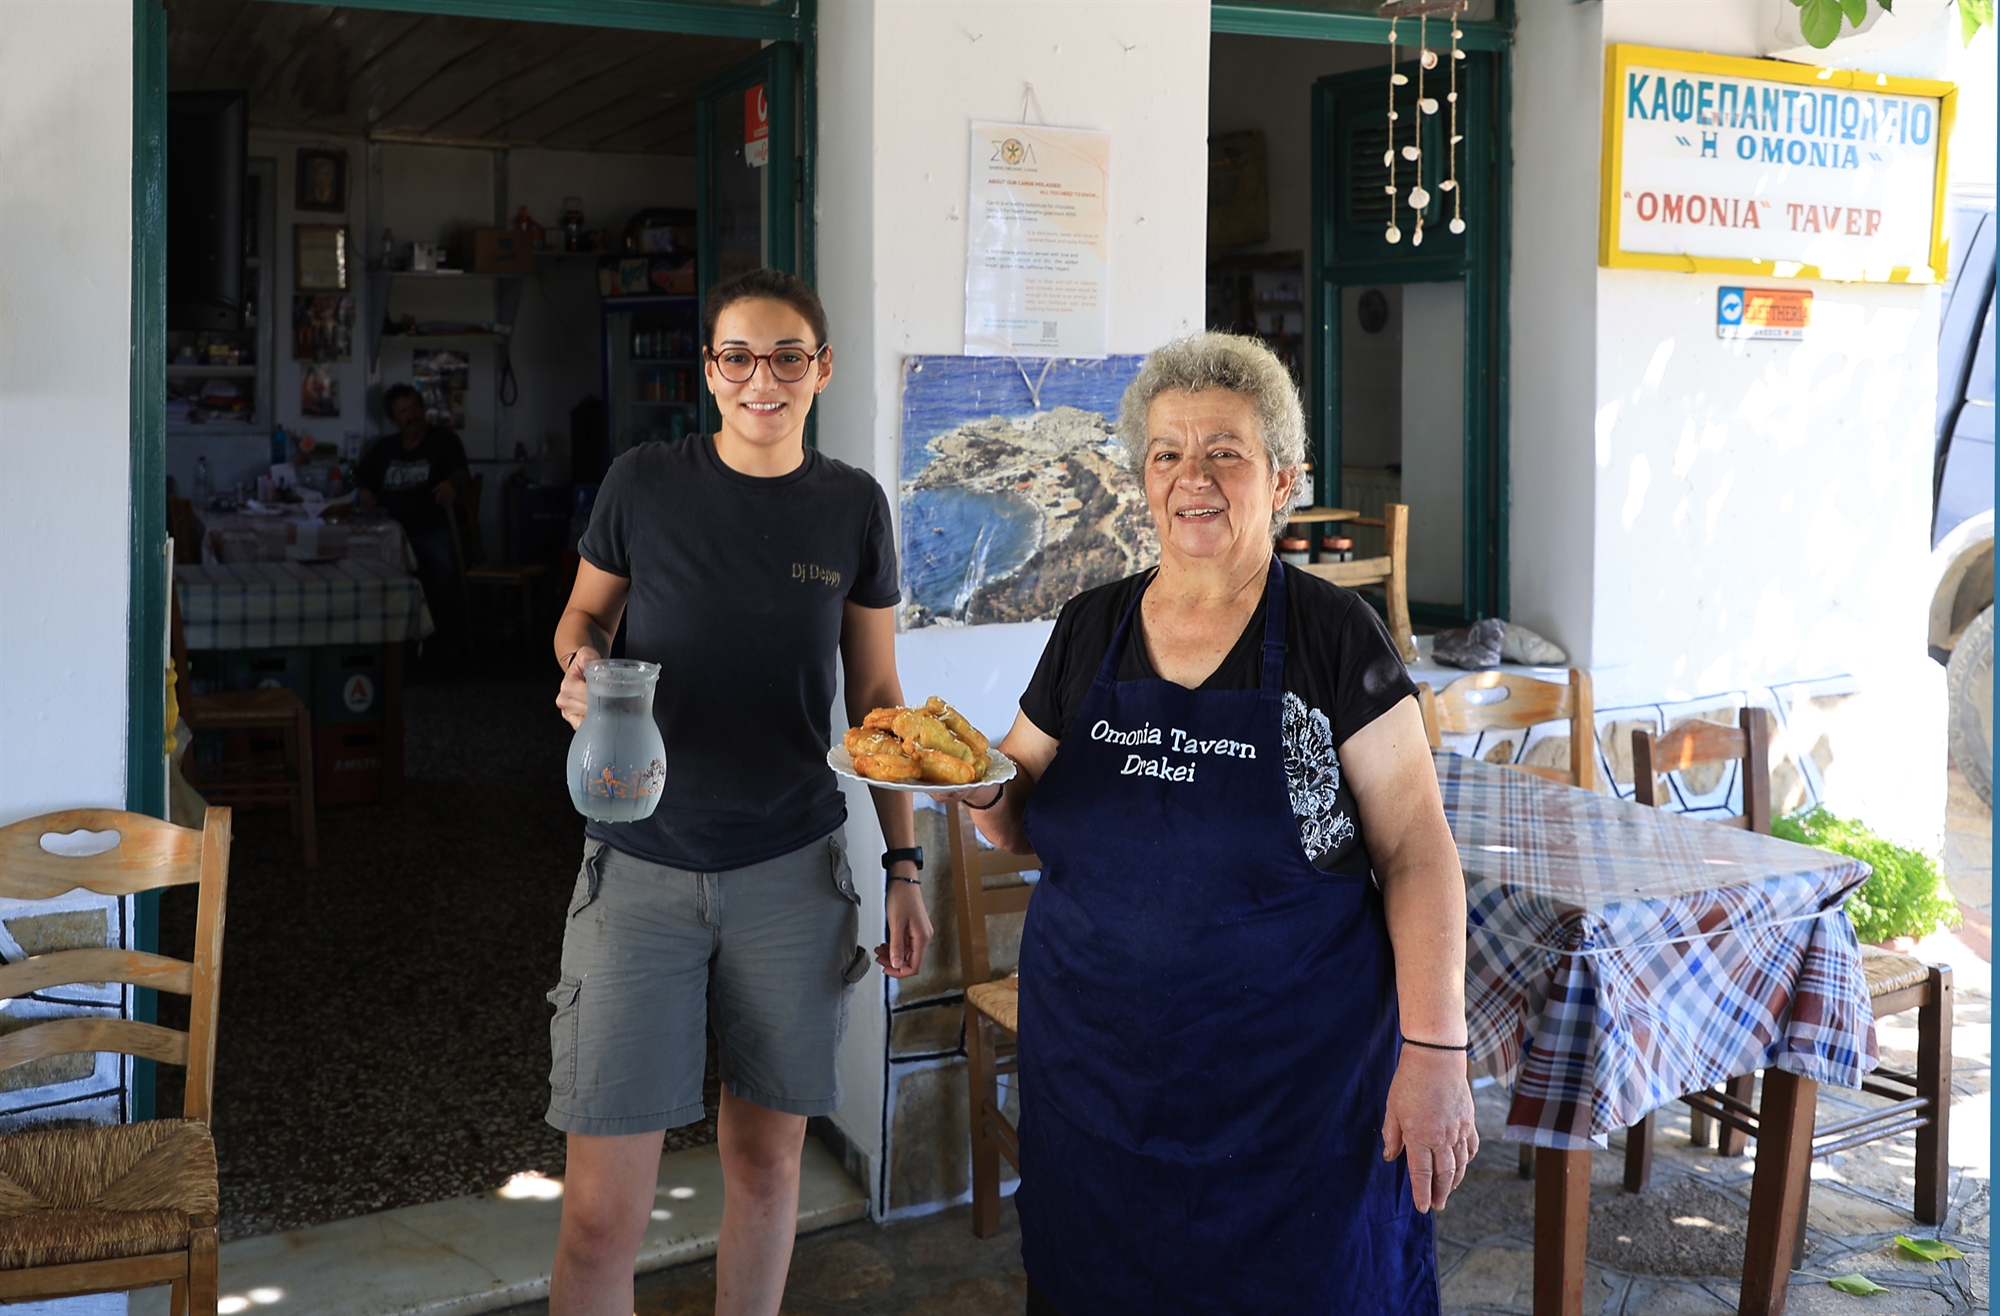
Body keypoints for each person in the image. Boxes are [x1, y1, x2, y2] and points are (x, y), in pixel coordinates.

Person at [935, 333, 1476, 1314]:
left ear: (1281, 480)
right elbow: (1010, 813)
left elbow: (1414, 850)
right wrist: (967, 780)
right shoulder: (1089, 626)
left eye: (1224, 451)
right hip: (1098, 1078)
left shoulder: (1330, 636)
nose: (1192, 476)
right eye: (1166, 453)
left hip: (1292, 1096)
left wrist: (1436, 1052)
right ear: (1140, 478)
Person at [547, 268, 932, 1316]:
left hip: (790, 871)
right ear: (709, 369)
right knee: (596, 1212)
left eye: (787, 356)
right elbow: (580, 617)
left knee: (766, 1172)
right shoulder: (644, 483)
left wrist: (901, 863)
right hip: (640, 861)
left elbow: (879, 695)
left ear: (821, 368)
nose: (761, 379)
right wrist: (579, 668)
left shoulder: (851, 506)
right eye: (737, 356)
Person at [356, 383, 469, 651]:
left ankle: (447, 648)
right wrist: (362, 492)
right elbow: (360, 481)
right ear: (394, 418)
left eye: (415, 407)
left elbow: (462, 474)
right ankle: (389, 650)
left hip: (433, 529)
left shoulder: (444, 441)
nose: (412, 415)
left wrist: (452, 484)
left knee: (443, 567)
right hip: (392, 533)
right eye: (404, 411)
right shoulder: (384, 449)